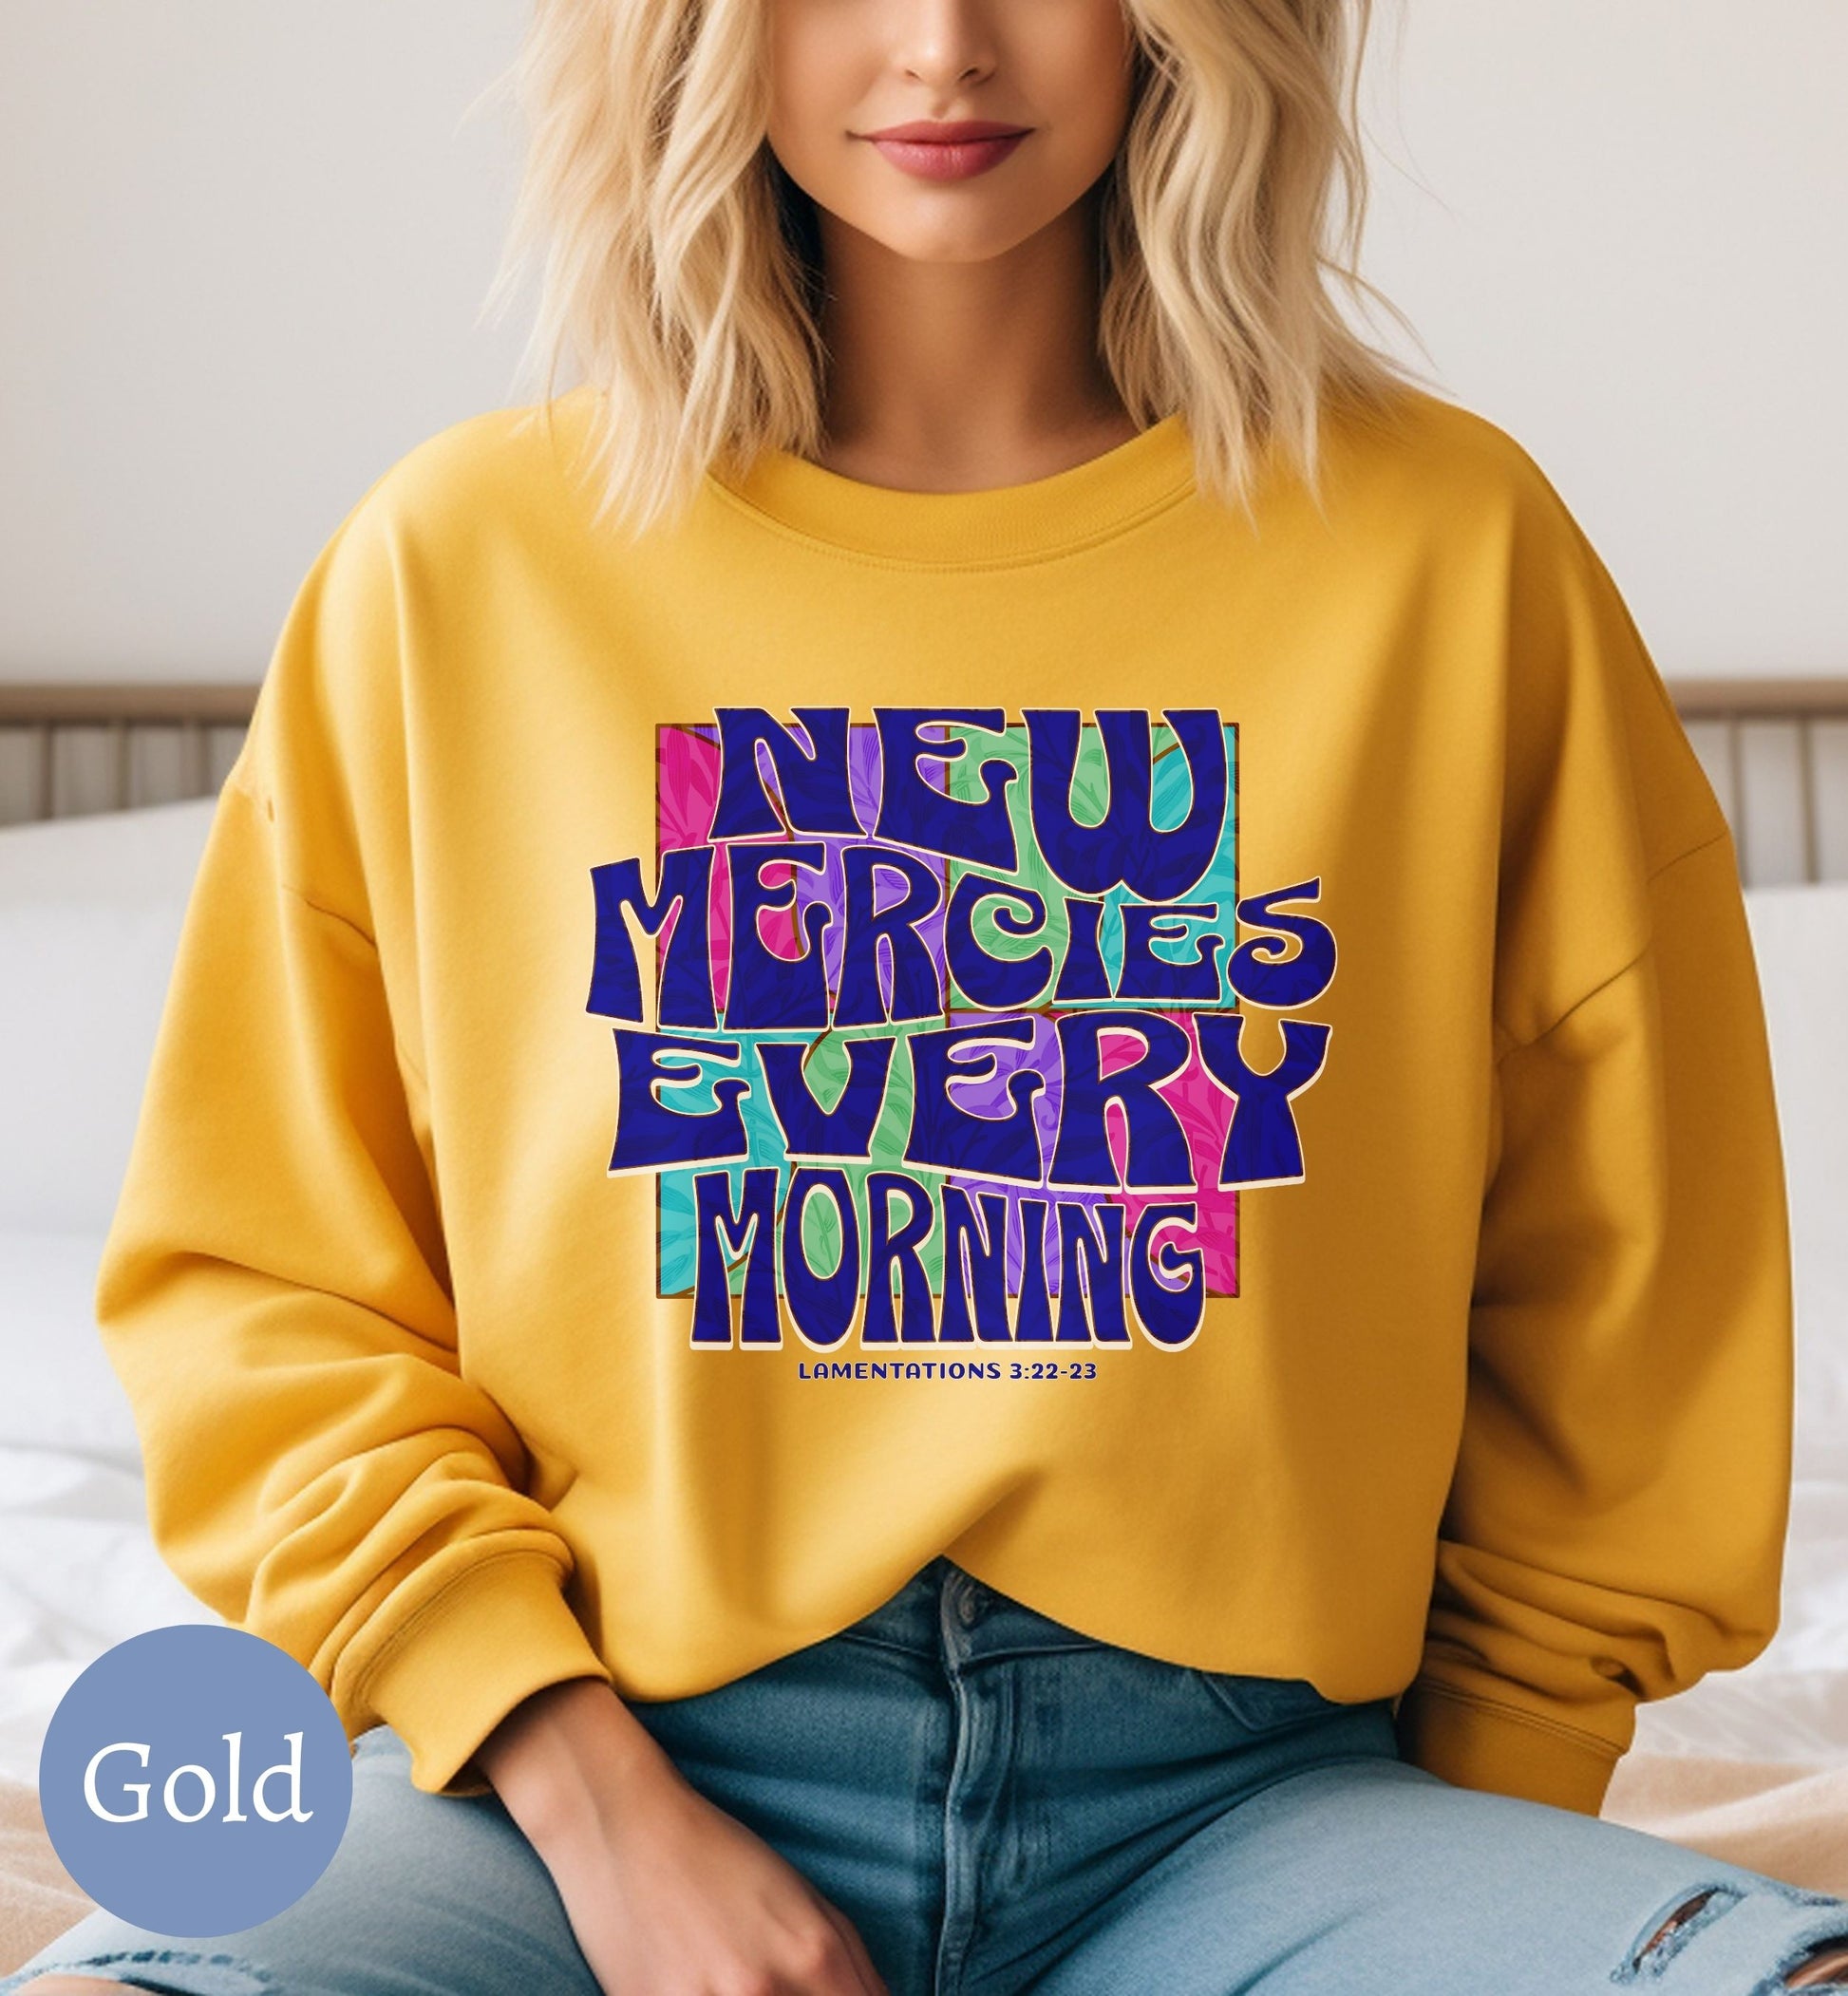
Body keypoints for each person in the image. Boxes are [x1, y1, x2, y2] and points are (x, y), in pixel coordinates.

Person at [9, 1, 1848, 1991]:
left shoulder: (1446, 553)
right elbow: (263, 1289)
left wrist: (1484, 1807)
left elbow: (1624, 1290)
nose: (943, 45)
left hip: (1257, 1801)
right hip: (566, 1782)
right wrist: (587, 1792)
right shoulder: (459, 566)